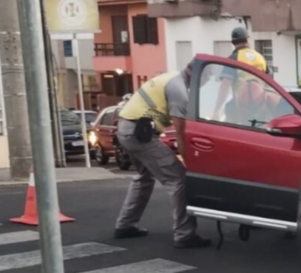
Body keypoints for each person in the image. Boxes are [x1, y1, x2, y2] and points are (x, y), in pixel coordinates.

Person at [114, 63, 210, 248]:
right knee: (178, 178)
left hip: (127, 129)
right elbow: (181, 133)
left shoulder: (172, 78)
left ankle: (125, 225)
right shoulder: (179, 90)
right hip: (139, 133)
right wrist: (189, 163)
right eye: (203, 81)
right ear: (193, 74)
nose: (203, 85)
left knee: (144, 177)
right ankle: (184, 234)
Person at [212, 27, 270, 121]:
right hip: (261, 105)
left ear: (233, 43)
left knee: (228, 112)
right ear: (247, 39)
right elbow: (268, 83)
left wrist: (216, 110)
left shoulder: (233, 59)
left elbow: (225, 85)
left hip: (242, 106)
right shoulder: (260, 57)